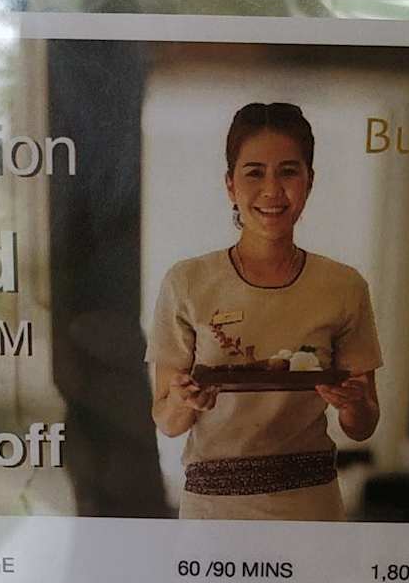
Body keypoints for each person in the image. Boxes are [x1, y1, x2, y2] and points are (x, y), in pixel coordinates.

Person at [148, 101, 382, 521]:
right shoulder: (187, 282)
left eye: (288, 171)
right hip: (212, 510)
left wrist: (352, 404)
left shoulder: (344, 286)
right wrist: (184, 400)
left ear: (310, 181)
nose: (272, 190)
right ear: (230, 185)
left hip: (310, 505)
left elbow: (363, 426)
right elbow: (167, 421)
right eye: (254, 172)